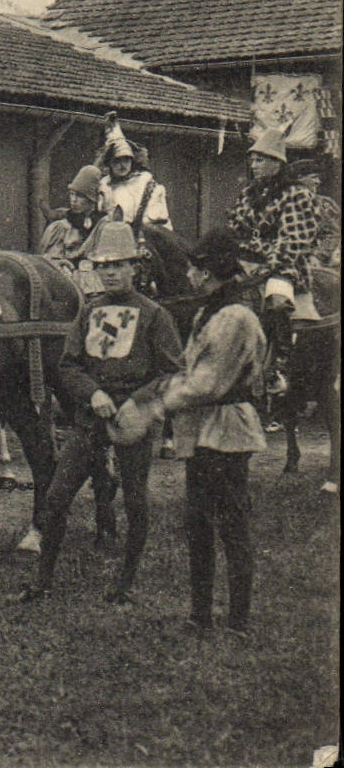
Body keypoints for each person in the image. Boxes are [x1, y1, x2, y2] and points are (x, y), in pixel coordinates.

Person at [16, 222, 184, 606]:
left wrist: (138, 401)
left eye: (118, 265)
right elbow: (69, 364)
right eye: (102, 265)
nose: (109, 272)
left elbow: (173, 370)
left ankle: (124, 584)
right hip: (91, 420)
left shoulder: (154, 315)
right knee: (57, 499)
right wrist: (92, 394)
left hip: (132, 419)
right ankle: (42, 582)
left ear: (134, 267)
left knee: (135, 502)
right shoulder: (89, 310)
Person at [131, 227, 268, 635]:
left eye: (193, 268)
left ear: (206, 273)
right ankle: (201, 615)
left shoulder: (234, 317)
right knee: (198, 523)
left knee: (232, 523)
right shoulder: (211, 312)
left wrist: (158, 406)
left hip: (225, 430)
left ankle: (238, 619)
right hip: (205, 430)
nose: (188, 275)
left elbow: (205, 384)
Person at [226, 126, 323, 396]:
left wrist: (262, 262)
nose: (254, 165)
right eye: (253, 160)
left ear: (276, 163)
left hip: (284, 266)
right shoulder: (248, 194)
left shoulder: (296, 195)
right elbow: (234, 227)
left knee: (277, 300)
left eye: (260, 160)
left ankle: (280, 365)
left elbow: (295, 239)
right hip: (246, 262)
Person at [39, 165, 108, 295]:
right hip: (66, 282)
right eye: (72, 194)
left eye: (80, 196)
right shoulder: (61, 227)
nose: (74, 200)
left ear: (91, 200)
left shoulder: (103, 225)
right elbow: (50, 261)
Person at [96, 112, 171, 229]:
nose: (122, 165)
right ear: (109, 163)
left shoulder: (145, 183)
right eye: (117, 161)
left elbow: (158, 222)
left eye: (126, 160)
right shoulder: (104, 185)